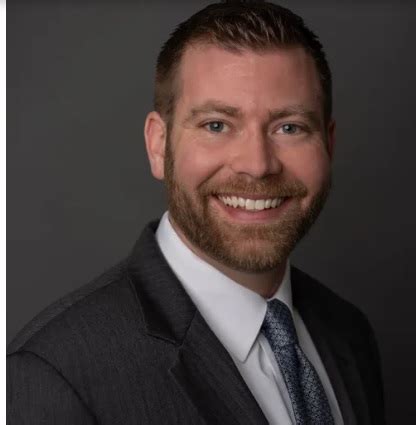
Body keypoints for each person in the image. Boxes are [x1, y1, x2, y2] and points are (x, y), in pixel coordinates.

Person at [7, 1, 385, 424]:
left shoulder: (347, 332)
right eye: (216, 125)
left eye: (289, 127)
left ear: (328, 145)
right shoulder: (55, 376)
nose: (257, 165)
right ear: (158, 145)